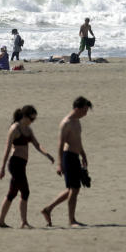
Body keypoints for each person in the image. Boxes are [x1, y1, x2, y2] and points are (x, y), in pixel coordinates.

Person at [0, 105, 55, 228]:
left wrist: (47, 155)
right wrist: (2, 168)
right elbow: (7, 149)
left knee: (13, 193)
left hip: (22, 164)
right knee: (24, 191)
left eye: (33, 120)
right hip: (15, 163)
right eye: (30, 119)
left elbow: (37, 145)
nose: (31, 121)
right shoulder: (14, 129)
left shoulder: (28, 130)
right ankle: (22, 222)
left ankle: (3, 221)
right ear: (24, 116)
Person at [42, 96, 92, 227]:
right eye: (85, 110)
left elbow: (78, 140)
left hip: (75, 156)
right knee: (74, 189)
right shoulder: (66, 123)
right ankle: (71, 220)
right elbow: (60, 144)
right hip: (67, 157)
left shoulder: (77, 121)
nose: (86, 113)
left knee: (73, 188)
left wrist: (83, 154)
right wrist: (59, 164)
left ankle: (48, 209)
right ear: (77, 108)